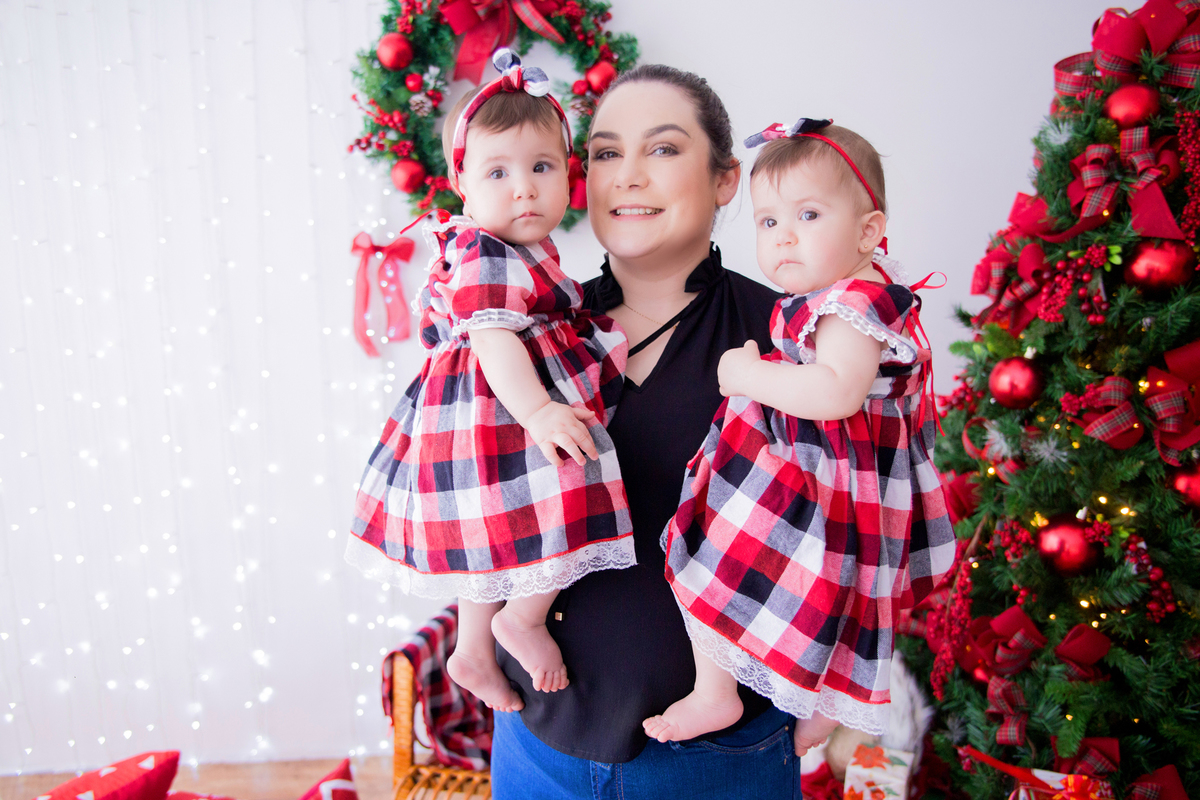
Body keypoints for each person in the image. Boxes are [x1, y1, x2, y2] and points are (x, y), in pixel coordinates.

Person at [491, 65, 801, 799]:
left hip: (720, 757)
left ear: (726, 179)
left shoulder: (791, 339)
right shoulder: (524, 331)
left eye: (662, 150)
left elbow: (852, 529)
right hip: (540, 739)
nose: (627, 176)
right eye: (604, 153)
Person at [645, 118, 956, 753]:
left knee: (722, 560)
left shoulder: (856, 303)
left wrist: (747, 374)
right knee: (784, 585)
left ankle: (726, 693)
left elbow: (837, 392)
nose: (784, 237)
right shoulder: (827, 293)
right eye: (767, 222)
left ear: (868, 231)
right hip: (811, 471)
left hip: (831, 482)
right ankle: (795, 699)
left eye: (808, 216)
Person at [346, 50, 635, 713]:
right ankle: (523, 619)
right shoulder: (486, 250)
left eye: (541, 168)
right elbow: (494, 337)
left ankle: (472, 648)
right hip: (498, 407)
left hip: (476, 414)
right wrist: (537, 411)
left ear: (569, 177)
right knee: (574, 483)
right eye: (498, 172)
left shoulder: (515, 250)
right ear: (463, 185)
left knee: (489, 541)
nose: (524, 188)